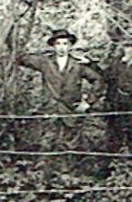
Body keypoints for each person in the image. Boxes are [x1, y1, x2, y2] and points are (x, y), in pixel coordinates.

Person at [17, 29, 103, 172]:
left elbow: (98, 80)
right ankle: (44, 179)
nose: (62, 47)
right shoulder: (45, 62)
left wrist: (88, 102)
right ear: (53, 46)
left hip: (71, 110)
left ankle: (68, 179)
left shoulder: (78, 65)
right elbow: (21, 58)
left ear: (70, 46)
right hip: (50, 109)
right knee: (46, 143)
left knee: (70, 145)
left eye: (65, 44)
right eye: (58, 44)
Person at [101, 34, 132, 158]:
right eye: (126, 46)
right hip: (117, 107)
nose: (129, 50)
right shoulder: (117, 63)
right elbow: (107, 79)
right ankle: (113, 167)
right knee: (114, 140)